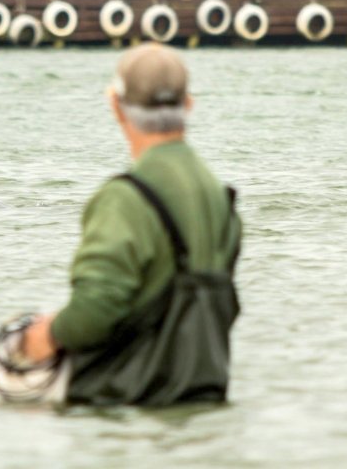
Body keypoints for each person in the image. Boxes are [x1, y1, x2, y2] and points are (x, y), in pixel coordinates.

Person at [20, 42, 242, 405]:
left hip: (130, 407)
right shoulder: (220, 197)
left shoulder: (125, 198)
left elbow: (94, 312)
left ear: (115, 105)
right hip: (204, 402)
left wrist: (41, 336)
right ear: (188, 104)